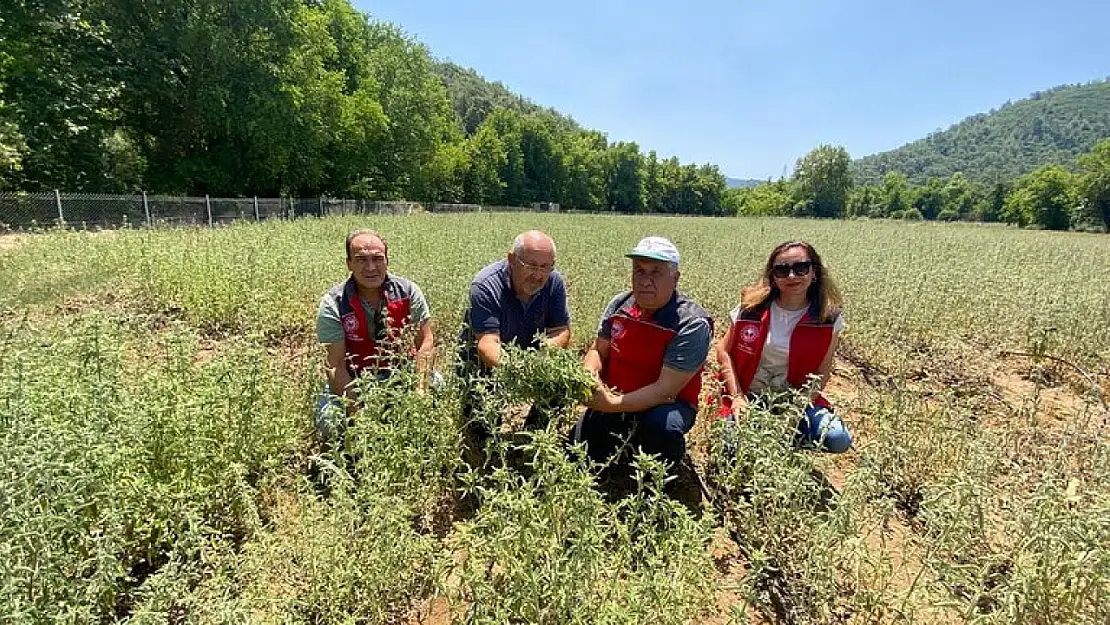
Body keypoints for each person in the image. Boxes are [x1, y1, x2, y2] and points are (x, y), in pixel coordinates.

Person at [570, 236, 713, 469]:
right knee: (579, 454)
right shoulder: (620, 304)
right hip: (616, 395)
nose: (645, 281)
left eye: (656, 272)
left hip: (666, 405)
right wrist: (590, 375)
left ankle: (661, 475)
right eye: (639, 271)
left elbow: (664, 391)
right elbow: (598, 350)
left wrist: (610, 404)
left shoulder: (691, 323)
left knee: (661, 428)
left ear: (675, 278)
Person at [714, 240, 851, 453]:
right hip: (749, 395)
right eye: (781, 270)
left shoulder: (828, 318)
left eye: (801, 268)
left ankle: (783, 440)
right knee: (728, 447)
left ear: (814, 272)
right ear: (773, 276)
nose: (791, 276)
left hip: (793, 401)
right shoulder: (750, 309)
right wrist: (737, 397)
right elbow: (723, 352)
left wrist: (796, 412)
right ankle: (761, 433)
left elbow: (823, 371)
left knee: (837, 438)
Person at [315, 229, 434, 440]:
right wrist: (358, 414)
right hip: (355, 380)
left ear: (387, 261)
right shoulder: (334, 302)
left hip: (399, 375)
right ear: (349, 263)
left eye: (377, 259)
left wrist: (420, 390)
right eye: (361, 259)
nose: (370, 267)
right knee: (330, 422)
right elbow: (335, 366)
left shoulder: (408, 292)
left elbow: (425, 344)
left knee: (438, 390)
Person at [457, 230, 572, 431]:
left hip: (529, 358)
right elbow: (487, 345)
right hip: (484, 365)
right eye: (531, 266)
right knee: (480, 424)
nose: (538, 275)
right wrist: (519, 369)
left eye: (545, 267)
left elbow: (561, 330)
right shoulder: (485, 285)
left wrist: (541, 359)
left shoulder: (554, 283)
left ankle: (534, 438)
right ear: (512, 259)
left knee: (561, 382)